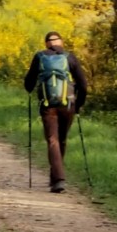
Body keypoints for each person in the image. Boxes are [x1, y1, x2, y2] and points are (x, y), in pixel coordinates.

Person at [23, 30, 88, 193]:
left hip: (48, 104)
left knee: (53, 140)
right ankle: (56, 179)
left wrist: (33, 87)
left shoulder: (40, 56)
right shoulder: (69, 57)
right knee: (62, 139)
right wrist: (78, 105)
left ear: (46, 44)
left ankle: (58, 179)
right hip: (68, 104)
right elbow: (84, 85)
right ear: (61, 42)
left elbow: (28, 84)